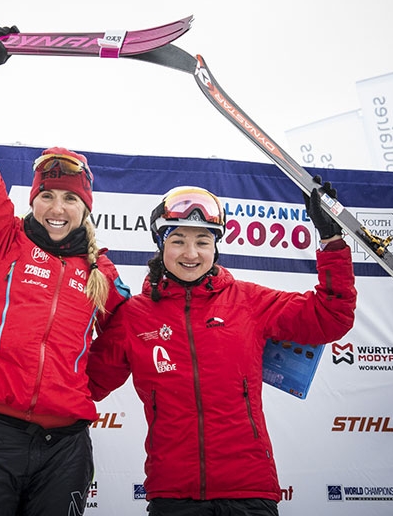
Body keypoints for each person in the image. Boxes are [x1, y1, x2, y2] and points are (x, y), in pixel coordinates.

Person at [87, 182, 357, 516]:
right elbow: (86, 386)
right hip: (174, 496)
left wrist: (332, 242)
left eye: (203, 241)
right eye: (178, 241)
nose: (191, 253)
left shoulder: (248, 302)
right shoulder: (134, 317)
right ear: (161, 246)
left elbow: (329, 317)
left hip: (250, 492)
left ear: (215, 247)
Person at [0, 26, 132, 515]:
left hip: (65, 445)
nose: (57, 207)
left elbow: (129, 334)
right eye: (47, 195)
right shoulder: (4, 238)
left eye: (70, 198)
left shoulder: (100, 270)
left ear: (85, 207)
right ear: (33, 198)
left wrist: (80, 388)